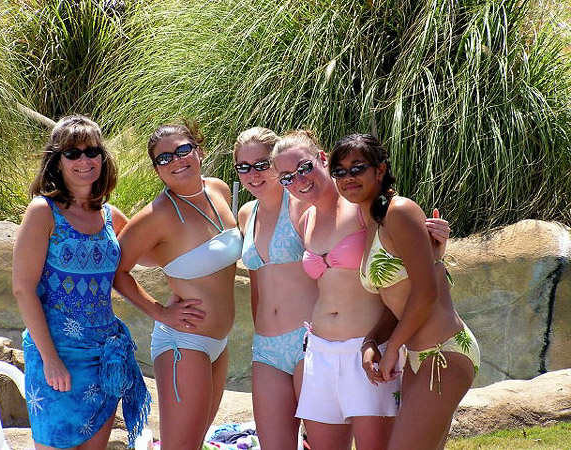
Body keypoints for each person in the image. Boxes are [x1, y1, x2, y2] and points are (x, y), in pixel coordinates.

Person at [270, 130, 450, 450]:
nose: (299, 180)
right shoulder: (305, 218)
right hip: (319, 353)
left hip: (367, 351)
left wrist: (437, 247)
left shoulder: (363, 205)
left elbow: (406, 271)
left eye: (304, 167)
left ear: (322, 159)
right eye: (287, 177)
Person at [329, 133, 480, 450]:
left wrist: (392, 348)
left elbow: (426, 292)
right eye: (339, 171)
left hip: (444, 352)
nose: (348, 177)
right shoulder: (373, 221)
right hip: (417, 358)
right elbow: (397, 298)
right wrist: (372, 341)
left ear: (380, 170)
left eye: (357, 167)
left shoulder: (399, 210)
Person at [12, 115, 151, 450]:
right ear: (56, 162)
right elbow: (23, 289)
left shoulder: (111, 216)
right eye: (72, 153)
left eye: (92, 151)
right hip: (57, 355)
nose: (84, 160)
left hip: (104, 358)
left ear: (102, 158)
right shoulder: (43, 212)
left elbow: (155, 255)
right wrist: (50, 358)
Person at [113, 120, 243, 450]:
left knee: (194, 443)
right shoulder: (157, 215)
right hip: (183, 343)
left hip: (219, 341)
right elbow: (116, 270)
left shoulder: (219, 190)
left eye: (183, 150)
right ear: (157, 169)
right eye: (164, 158)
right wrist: (160, 312)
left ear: (199, 150)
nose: (176, 160)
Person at [234, 127, 317, 449]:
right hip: (267, 347)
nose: (253, 174)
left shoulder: (301, 205)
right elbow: (257, 280)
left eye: (261, 164)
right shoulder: (246, 214)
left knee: (323, 443)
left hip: (308, 339)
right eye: (244, 167)